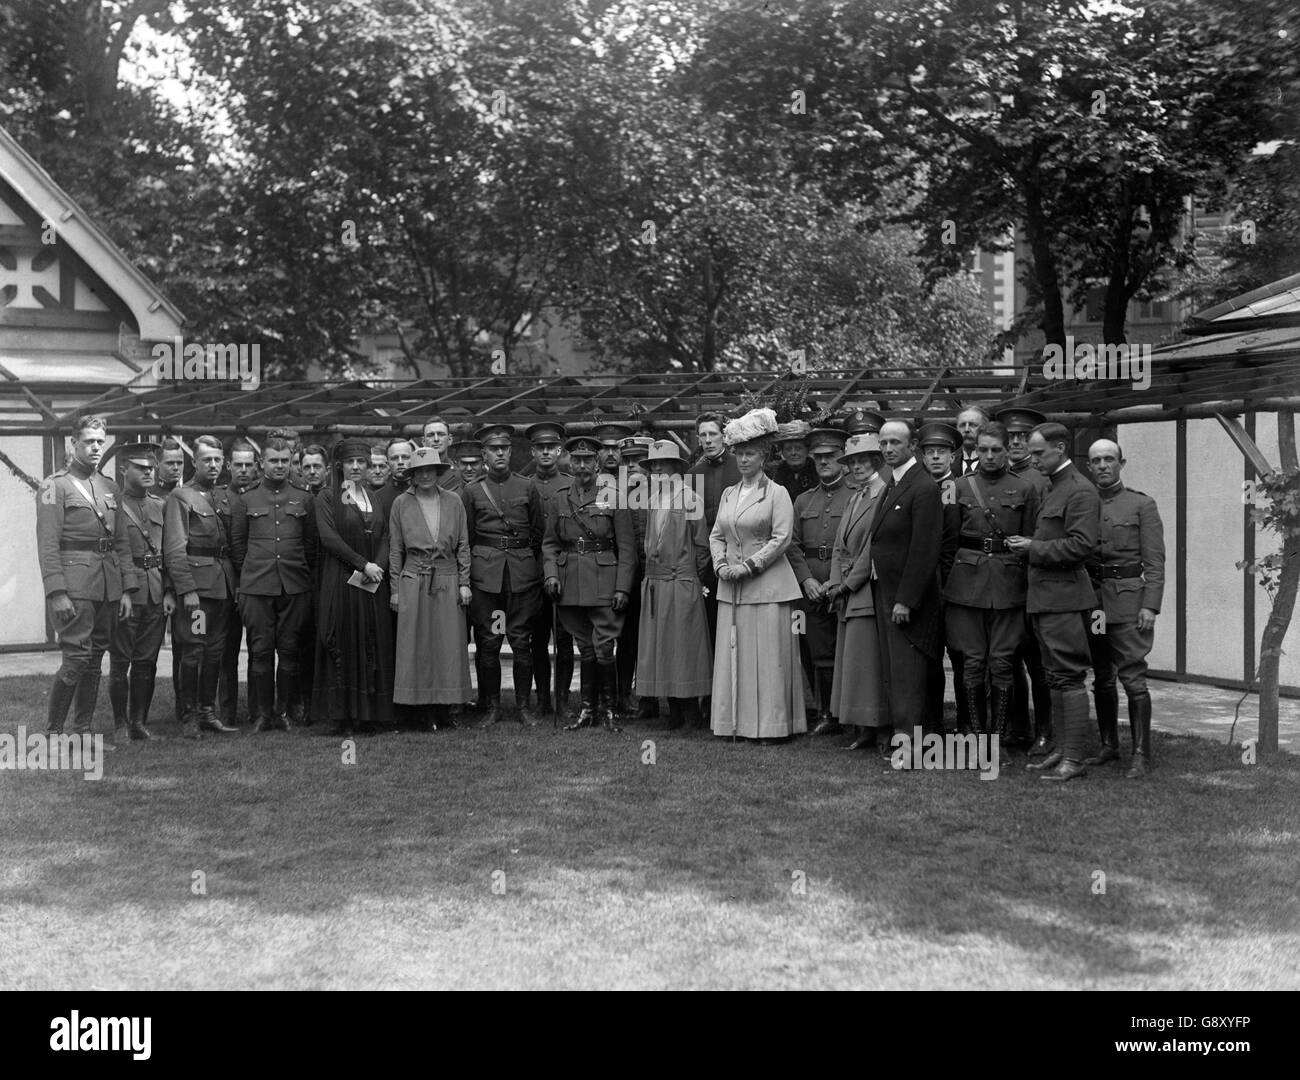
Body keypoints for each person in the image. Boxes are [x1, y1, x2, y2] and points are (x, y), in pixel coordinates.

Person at [1006, 423, 1102, 782]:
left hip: (1063, 597)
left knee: (1068, 675)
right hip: (1046, 598)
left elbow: (1081, 546)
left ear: (1060, 448)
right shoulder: (1053, 487)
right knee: (1054, 676)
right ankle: (1062, 749)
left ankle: (1074, 759)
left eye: (1039, 453)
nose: (1032, 459)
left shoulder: (1080, 491)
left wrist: (1033, 547)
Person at [36, 415, 136, 743]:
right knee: (76, 657)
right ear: (73, 443)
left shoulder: (109, 487)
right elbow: (48, 544)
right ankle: (52, 734)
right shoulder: (55, 486)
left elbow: (120, 543)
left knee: (94, 660)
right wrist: (56, 592)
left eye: (99, 441)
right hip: (75, 586)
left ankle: (81, 731)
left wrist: (125, 590)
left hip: (107, 586)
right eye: (89, 441)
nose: (95, 447)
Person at [709, 408, 806, 742]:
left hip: (768, 587)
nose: (743, 459)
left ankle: (772, 727)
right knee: (735, 654)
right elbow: (716, 534)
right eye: (739, 453)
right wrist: (721, 565)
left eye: (750, 453)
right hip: (731, 587)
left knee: (769, 659)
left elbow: (782, 539)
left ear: (763, 456)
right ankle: (734, 723)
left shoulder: (777, 493)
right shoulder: (728, 494)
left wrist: (749, 566)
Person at [943, 421, 1039, 760]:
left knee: (1001, 662)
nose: (989, 456)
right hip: (966, 584)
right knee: (970, 662)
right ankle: (974, 734)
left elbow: (1030, 543)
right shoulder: (957, 487)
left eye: (995, 450)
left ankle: (997, 737)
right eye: (983, 449)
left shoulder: (1026, 489)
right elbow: (948, 542)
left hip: (1009, 584)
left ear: (1007, 450)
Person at [543, 435, 636, 732]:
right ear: (569, 462)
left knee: (604, 647)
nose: (582, 465)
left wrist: (622, 587)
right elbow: (549, 544)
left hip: (604, 583)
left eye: (587, 460)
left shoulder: (615, 496)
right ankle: (587, 710)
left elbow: (627, 548)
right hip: (570, 584)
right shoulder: (559, 497)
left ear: (596, 463)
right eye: (577, 460)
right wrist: (552, 575)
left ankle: (609, 710)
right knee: (586, 647)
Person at [1085, 439, 1165, 778]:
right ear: (1089, 467)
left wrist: (1151, 606)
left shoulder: (1141, 505)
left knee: (1133, 678)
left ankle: (1141, 754)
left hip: (1130, 602)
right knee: (1102, 677)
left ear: (1121, 463)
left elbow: (1155, 562)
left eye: (1109, 459)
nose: (1103, 466)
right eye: (1096, 461)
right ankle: (1108, 746)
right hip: (1093, 602)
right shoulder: (1083, 503)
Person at [230, 435, 317, 732]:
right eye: (273, 461)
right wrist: (250, 576)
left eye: (284, 461)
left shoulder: (304, 497)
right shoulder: (247, 498)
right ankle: (261, 713)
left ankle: (284, 712)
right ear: (261, 463)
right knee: (261, 650)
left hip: (294, 585)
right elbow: (238, 546)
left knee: (290, 649)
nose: (279, 466)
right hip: (256, 587)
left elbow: (309, 546)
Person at [463, 424, 546, 726]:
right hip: (487, 579)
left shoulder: (526, 487)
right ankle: (492, 707)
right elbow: (467, 537)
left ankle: (523, 707)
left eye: (504, 448)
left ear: (511, 452)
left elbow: (538, 533)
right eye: (493, 449)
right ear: (484, 453)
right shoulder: (471, 492)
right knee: (490, 642)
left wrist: (530, 567)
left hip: (522, 578)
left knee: (521, 642)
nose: (499, 453)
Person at [312, 438, 395, 736]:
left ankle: (370, 714)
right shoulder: (327, 497)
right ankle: (345, 716)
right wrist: (363, 564)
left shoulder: (373, 497)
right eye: (351, 462)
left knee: (371, 642)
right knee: (345, 642)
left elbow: (385, 534)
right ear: (340, 466)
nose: (357, 467)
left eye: (362, 462)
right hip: (342, 579)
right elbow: (329, 539)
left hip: (373, 582)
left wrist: (379, 566)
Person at [869, 420, 944, 748]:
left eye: (895, 443)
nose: (887, 449)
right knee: (897, 672)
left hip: (907, 600)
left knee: (908, 673)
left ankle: (909, 744)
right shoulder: (895, 482)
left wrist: (906, 600)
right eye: (883, 443)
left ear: (912, 445)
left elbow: (925, 550)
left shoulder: (923, 486)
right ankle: (910, 738)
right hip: (888, 592)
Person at [389, 446, 472, 729]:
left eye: (430, 470)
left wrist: (464, 583)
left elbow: (463, 544)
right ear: (412, 475)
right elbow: (395, 550)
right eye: (419, 471)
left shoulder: (454, 501)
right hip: (414, 578)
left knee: (447, 646)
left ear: (438, 472)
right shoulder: (401, 503)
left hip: (447, 578)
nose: (425, 475)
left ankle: (445, 709)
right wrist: (395, 590)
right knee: (417, 646)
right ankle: (421, 711)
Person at [163, 434, 240, 738]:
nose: (212, 464)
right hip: (199, 594)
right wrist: (187, 589)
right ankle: (189, 715)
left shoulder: (222, 497)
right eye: (206, 459)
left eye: (217, 459)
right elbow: (174, 548)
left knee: (214, 653)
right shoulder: (181, 497)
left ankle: (208, 712)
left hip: (222, 590)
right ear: (193, 462)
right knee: (193, 651)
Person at [635, 440, 712, 731]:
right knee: (661, 647)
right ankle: (674, 711)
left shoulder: (690, 498)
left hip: (681, 581)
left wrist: (689, 577)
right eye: (654, 465)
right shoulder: (653, 499)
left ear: (676, 467)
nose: (657, 469)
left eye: (663, 464)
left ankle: (691, 712)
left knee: (685, 648)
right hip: (655, 582)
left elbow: (702, 546)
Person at [786, 426, 855, 734]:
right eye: (819, 458)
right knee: (819, 651)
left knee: (851, 650)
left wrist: (839, 581)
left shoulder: (857, 495)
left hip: (848, 585)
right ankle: (826, 713)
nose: (824, 462)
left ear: (843, 459)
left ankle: (851, 712)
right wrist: (806, 581)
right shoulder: (803, 501)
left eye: (830, 456)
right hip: (812, 586)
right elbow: (792, 545)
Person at [826, 433, 891, 752]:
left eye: (862, 460)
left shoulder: (884, 494)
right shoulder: (854, 497)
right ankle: (863, 727)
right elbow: (840, 546)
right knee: (853, 663)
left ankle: (880, 728)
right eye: (852, 462)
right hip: (847, 592)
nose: (857, 466)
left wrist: (847, 585)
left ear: (876, 462)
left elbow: (872, 549)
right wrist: (835, 581)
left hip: (867, 590)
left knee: (869, 663)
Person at [107, 440, 173, 743]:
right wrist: (121, 591)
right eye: (141, 467)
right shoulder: (112, 506)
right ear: (124, 469)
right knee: (121, 661)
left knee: (147, 661)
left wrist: (170, 591)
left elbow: (171, 552)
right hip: (128, 596)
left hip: (157, 592)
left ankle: (139, 723)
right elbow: (112, 554)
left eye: (151, 467)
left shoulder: (160, 505)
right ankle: (120, 724)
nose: (149, 472)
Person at [996, 406, 1052, 757]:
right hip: (1004, 583)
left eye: (1023, 438)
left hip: (1035, 581)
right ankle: (1018, 727)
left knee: (1038, 662)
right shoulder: (997, 476)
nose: (1016, 443)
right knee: (1009, 658)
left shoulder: (1043, 481)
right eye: (1011, 437)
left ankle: (1045, 731)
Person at [523, 421, 575, 718]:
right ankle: (542, 698)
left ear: (559, 451)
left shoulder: (568, 484)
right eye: (539, 448)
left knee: (564, 638)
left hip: (564, 569)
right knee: (537, 639)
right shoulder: (525, 484)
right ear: (533, 451)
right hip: (532, 570)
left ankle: (563, 700)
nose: (545, 452)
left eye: (550, 448)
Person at [918, 421, 965, 734]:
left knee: (962, 657)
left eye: (942, 452)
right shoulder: (918, 489)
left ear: (952, 456)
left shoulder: (961, 488)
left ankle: (967, 723)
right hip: (924, 587)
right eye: (930, 452)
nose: (936, 457)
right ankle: (932, 723)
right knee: (929, 660)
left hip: (958, 586)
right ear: (922, 457)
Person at [217, 439, 261, 729]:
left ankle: (258, 711)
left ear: (256, 467)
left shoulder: (262, 496)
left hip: (258, 586)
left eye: (249, 465)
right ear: (229, 466)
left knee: (259, 650)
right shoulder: (218, 498)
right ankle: (227, 712)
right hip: (227, 585)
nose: (243, 470)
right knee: (226, 651)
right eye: (238, 465)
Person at [616, 434, 656, 718]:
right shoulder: (615, 495)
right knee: (626, 637)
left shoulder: (663, 495)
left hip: (655, 575)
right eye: (627, 460)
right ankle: (621, 696)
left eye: (637, 461)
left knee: (652, 637)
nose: (631, 466)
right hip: (625, 577)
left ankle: (650, 699)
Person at [768, 420, 818, 502]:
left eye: (798, 448)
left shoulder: (818, 472)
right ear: (782, 452)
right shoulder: (772, 475)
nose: (793, 453)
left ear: (807, 450)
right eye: (788, 449)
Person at [421, 416, 464, 493]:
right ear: (423, 442)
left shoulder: (461, 472)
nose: (436, 439)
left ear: (450, 439)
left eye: (441, 434)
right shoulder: (416, 473)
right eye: (430, 435)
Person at [374, 436, 414, 519]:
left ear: (414, 459)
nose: (400, 462)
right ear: (387, 463)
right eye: (394, 458)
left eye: (405, 457)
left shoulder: (426, 492)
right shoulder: (377, 498)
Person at [955, 406, 992, 477]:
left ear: (985, 428)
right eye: (962, 425)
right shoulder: (947, 462)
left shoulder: (996, 461)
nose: (966, 430)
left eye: (973, 425)